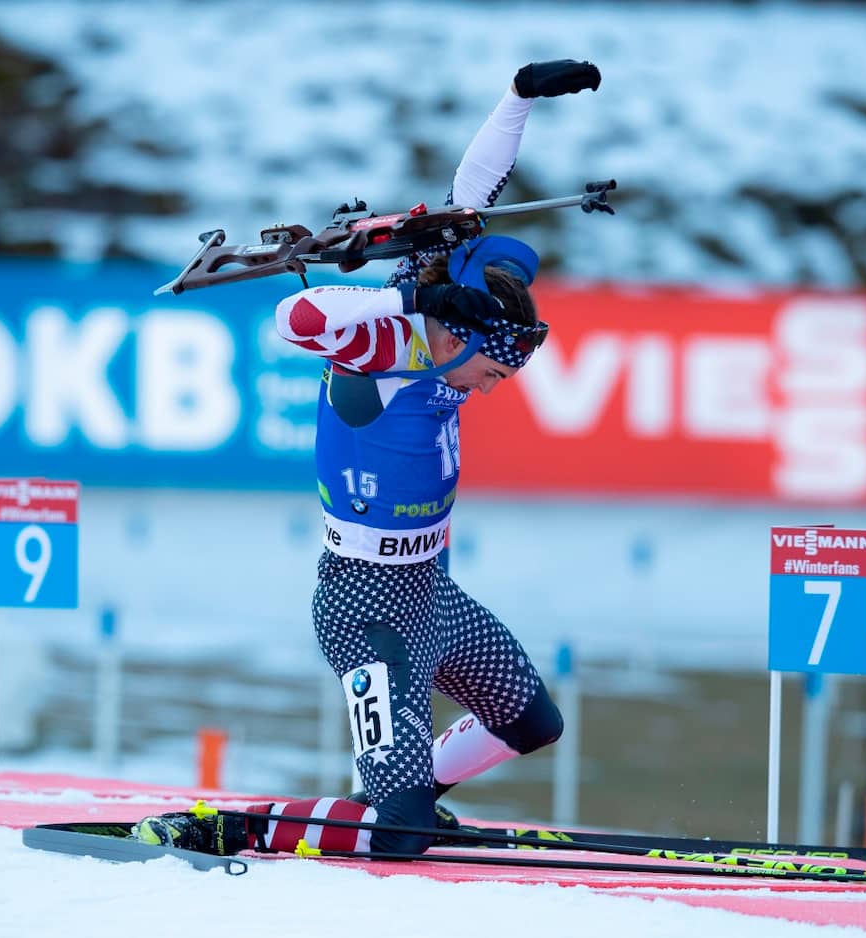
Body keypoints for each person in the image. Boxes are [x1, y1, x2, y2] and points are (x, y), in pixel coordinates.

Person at [135, 59, 602, 858]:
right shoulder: (385, 340)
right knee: (402, 841)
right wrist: (412, 298)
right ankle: (243, 825)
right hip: (365, 611)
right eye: (496, 367)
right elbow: (293, 313)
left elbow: (470, 196)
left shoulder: (452, 327)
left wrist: (517, 96)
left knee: (532, 722)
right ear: (454, 332)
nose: (494, 386)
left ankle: (387, 798)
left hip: (432, 595)